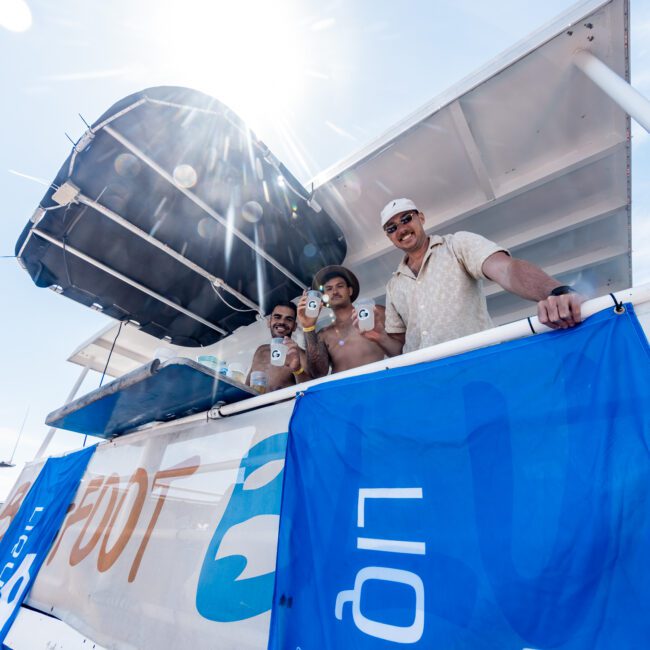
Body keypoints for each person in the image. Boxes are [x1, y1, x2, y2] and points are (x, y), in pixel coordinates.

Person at [359, 198, 586, 356]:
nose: (401, 229)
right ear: (389, 237)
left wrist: (557, 292)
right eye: (391, 228)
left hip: (478, 367)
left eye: (406, 218)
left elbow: (506, 269)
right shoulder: (393, 285)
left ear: (421, 217)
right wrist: (379, 337)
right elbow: (400, 347)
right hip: (427, 383)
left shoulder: (458, 244)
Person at [297, 266, 386, 377]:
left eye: (340, 286)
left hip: (378, 384)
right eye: (329, 289)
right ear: (324, 297)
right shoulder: (324, 334)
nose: (334, 291)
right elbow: (318, 373)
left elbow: (401, 344)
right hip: (342, 391)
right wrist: (308, 327)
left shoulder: (374, 312)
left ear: (350, 290)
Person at [247, 301, 311, 391]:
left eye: (288, 319)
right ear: (269, 322)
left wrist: (297, 369)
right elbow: (246, 386)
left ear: (294, 326)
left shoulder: (299, 355)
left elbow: (309, 390)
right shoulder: (261, 351)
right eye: (277, 317)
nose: (282, 322)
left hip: (284, 405)